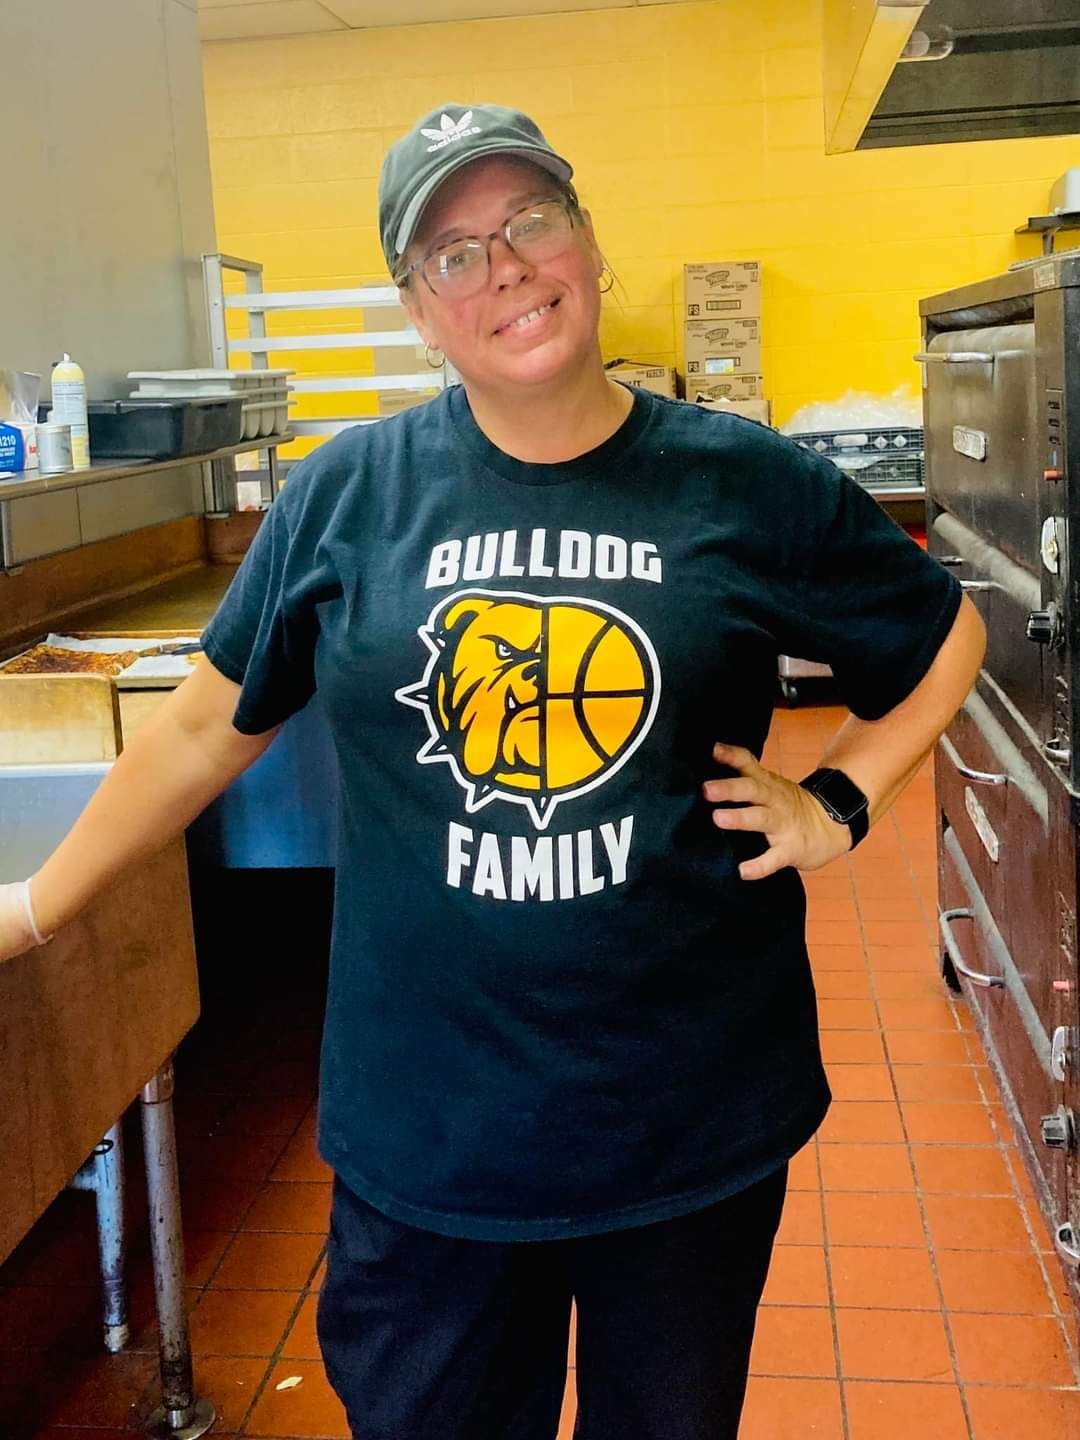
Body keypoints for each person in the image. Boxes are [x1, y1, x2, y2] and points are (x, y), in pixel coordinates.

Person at [0, 103, 984, 1439]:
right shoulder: (348, 495)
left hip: (685, 1120)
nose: (505, 266)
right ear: (418, 306)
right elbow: (191, 731)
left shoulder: (744, 484)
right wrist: (39, 904)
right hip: (430, 1138)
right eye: (455, 251)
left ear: (586, 241)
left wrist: (839, 802)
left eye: (532, 221)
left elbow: (945, 634)